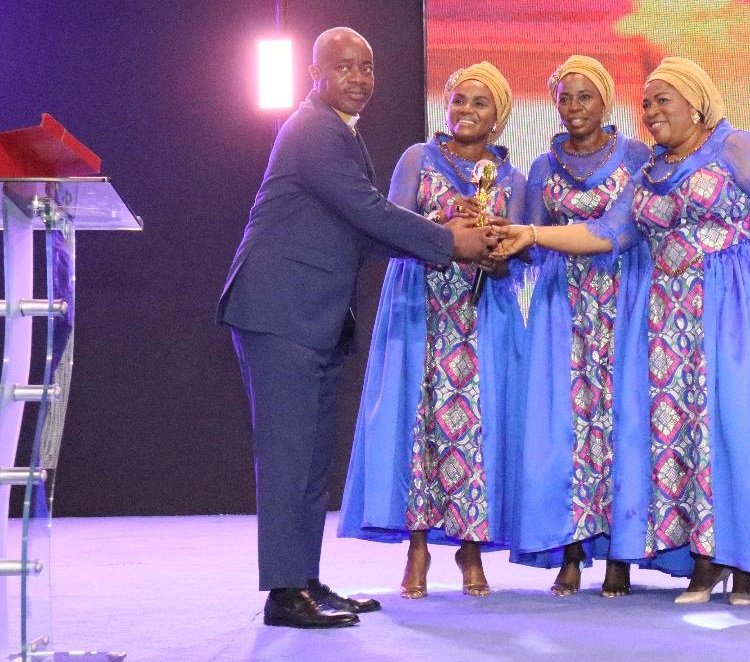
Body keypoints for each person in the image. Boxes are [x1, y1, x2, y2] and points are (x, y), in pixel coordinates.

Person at [494, 56, 750, 605]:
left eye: (662, 100)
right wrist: (530, 231)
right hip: (668, 319)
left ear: (696, 102)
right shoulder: (648, 172)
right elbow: (606, 233)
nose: (650, 112)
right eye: (646, 103)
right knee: (686, 435)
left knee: (741, 429)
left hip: (733, 315)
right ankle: (707, 557)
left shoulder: (735, 147)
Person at [216, 28, 498, 628]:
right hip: (278, 312)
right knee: (288, 456)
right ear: (316, 74)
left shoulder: (340, 133)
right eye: (344, 67)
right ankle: (283, 594)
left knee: (313, 458)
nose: (359, 78)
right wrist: (452, 241)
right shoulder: (314, 129)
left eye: (367, 66)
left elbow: (365, 227)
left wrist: (441, 232)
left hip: (310, 316)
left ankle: (305, 580)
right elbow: (367, 210)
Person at [337, 62, 526, 600]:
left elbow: (523, 254)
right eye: (459, 101)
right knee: (417, 423)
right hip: (420, 304)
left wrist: (495, 254)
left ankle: (470, 549)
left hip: (484, 314)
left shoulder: (511, 177)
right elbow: (389, 227)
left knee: (478, 426)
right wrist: (444, 233)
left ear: (500, 117)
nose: (466, 112)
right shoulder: (418, 159)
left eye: (480, 104)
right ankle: (416, 548)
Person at [508, 55, 650, 598]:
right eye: (564, 98)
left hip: (624, 298)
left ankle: (620, 555)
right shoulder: (543, 167)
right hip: (560, 302)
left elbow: (640, 227)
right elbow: (532, 240)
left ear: (607, 101)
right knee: (566, 426)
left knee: (623, 421)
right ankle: (570, 552)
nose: (572, 108)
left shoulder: (636, 155)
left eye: (584, 97)